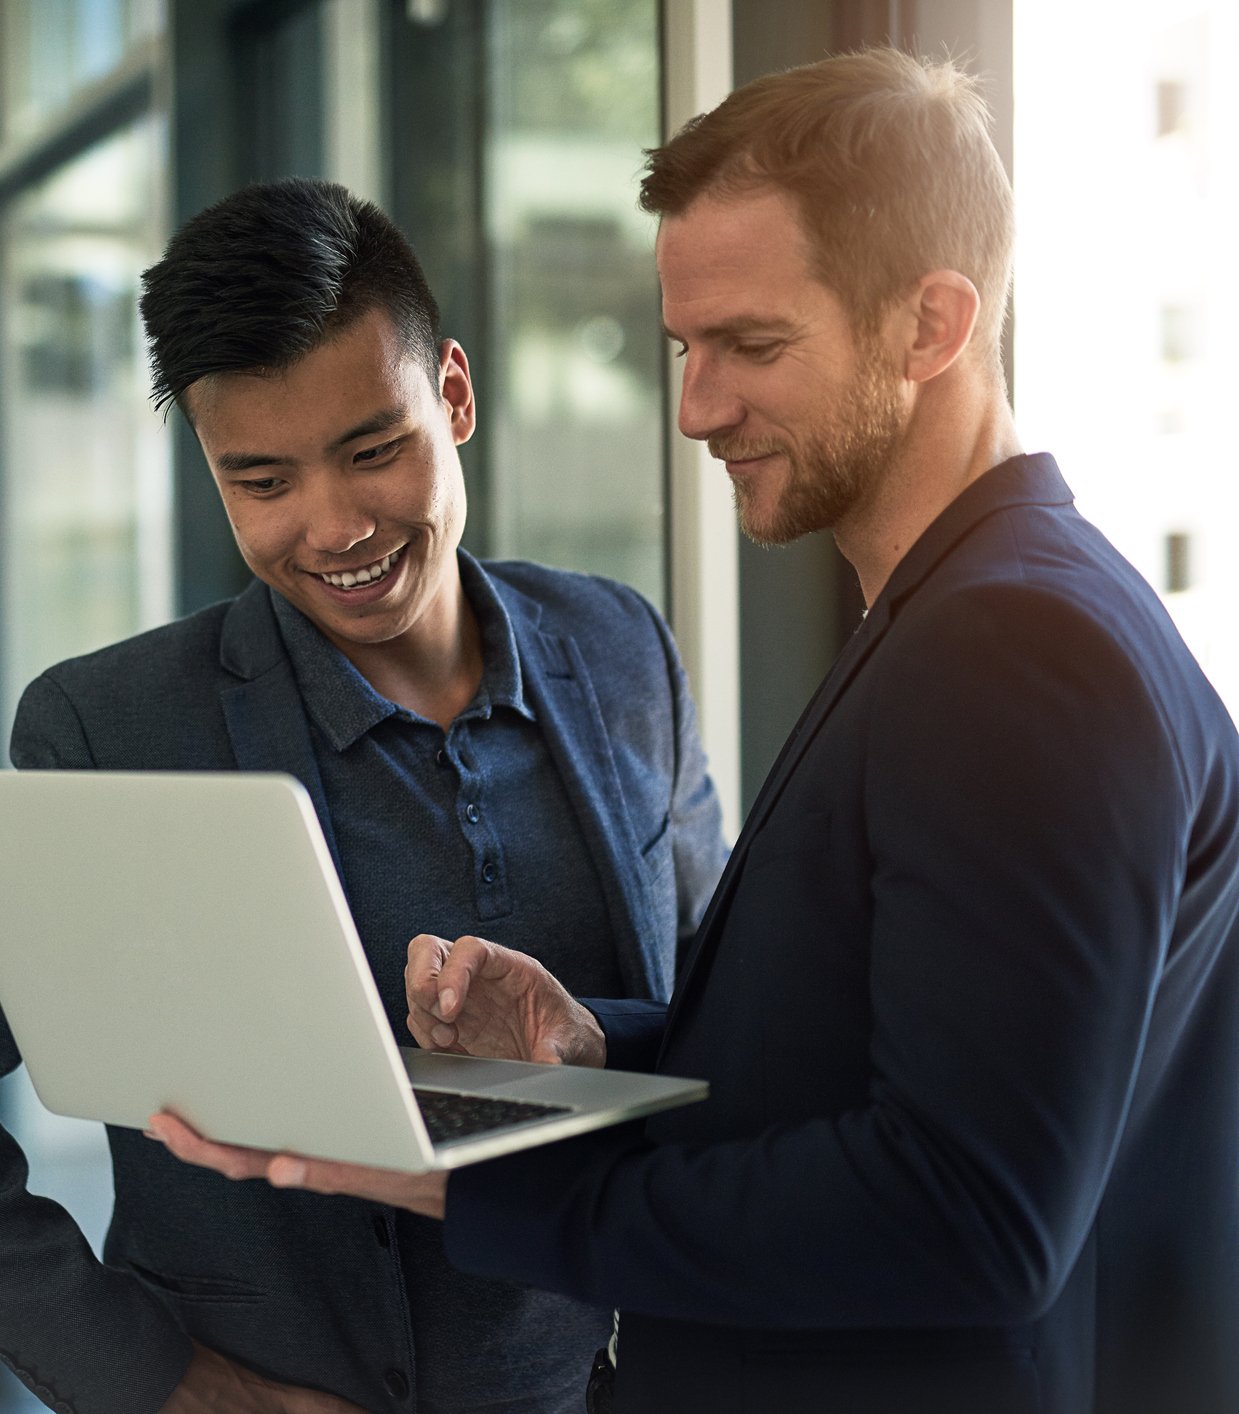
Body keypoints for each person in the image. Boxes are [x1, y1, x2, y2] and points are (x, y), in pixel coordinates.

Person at [150, 49, 1239, 1414]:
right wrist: (595, 1048)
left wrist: (463, 1179)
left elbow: (968, 1210)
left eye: (751, 346)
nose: (695, 407)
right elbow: (895, 1056)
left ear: (931, 323)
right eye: (683, 347)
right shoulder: (972, 618)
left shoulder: (1009, 652)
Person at [0, 178, 727, 1414]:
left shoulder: (621, 653)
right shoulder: (120, 732)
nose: (333, 525)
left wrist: (588, 1039)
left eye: (371, 450)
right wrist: (163, 1379)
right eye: (263, 480)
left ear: (452, 394)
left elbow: (727, 1024)